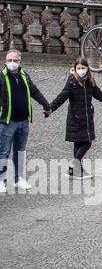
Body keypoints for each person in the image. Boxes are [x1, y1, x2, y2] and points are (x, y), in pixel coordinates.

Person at [48, 57, 102, 180]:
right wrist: (50, 108)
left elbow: (101, 96)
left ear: (87, 69)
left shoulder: (90, 82)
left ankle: (76, 170)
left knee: (79, 143)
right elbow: (62, 97)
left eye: (83, 68)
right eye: (79, 68)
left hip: (87, 117)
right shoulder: (72, 82)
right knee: (86, 142)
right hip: (76, 118)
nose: (81, 70)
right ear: (75, 69)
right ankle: (74, 164)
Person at [0, 50, 52, 192]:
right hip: (7, 122)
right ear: (5, 62)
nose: (12, 63)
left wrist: (47, 106)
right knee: (3, 152)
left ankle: (19, 178)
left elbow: (34, 91)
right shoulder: (1, 77)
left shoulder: (24, 76)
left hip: (23, 121)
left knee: (20, 150)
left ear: (20, 62)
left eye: (15, 60)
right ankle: (1, 179)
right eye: (9, 60)